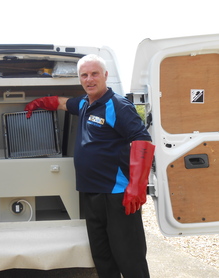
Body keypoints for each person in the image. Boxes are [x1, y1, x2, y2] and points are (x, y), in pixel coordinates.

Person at [24, 54, 155, 278]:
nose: (89, 79)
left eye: (94, 74)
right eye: (84, 75)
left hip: (117, 195)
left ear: (105, 75)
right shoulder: (84, 103)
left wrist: (137, 186)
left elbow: (142, 141)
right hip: (91, 192)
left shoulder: (118, 105)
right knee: (102, 256)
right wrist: (39, 103)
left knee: (129, 256)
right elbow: (63, 103)